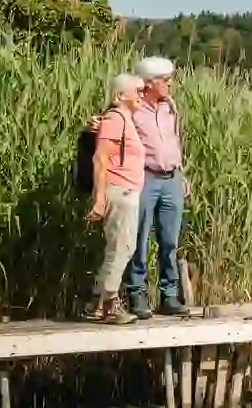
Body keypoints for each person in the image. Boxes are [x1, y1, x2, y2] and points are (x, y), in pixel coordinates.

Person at [89, 56, 191, 318]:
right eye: (165, 80)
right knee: (138, 239)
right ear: (148, 83)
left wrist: (181, 172)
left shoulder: (170, 107)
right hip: (145, 178)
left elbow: (174, 140)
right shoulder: (132, 109)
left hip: (171, 178)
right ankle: (137, 294)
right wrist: (96, 125)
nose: (170, 84)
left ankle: (169, 295)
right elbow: (110, 126)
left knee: (170, 240)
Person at [82, 73, 146, 325]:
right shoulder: (116, 118)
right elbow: (100, 158)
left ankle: (96, 302)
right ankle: (109, 303)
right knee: (122, 247)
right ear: (120, 96)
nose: (142, 94)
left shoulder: (123, 119)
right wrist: (99, 197)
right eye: (137, 91)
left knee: (119, 247)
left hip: (126, 191)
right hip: (119, 191)